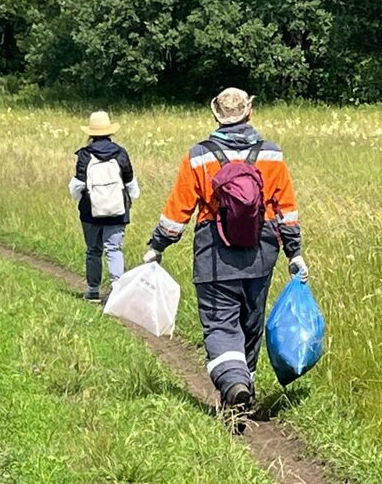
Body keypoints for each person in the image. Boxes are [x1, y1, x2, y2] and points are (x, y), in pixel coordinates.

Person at [142, 88, 307, 422]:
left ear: (215, 115)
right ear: (249, 112)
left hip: (213, 252)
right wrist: (295, 252)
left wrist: (157, 245)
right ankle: (244, 387)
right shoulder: (272, 154)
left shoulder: (198, 156)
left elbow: (178, 211)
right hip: (262, 252)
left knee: (220, 324)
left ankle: (233, 385)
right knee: (250, 323)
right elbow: (285, 209)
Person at [69, 111, 141, 301]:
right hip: (117, 211)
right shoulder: (120, 153)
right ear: (110, 131)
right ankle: (117, 292)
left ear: (90, 133)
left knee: (93, 250)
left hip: (90, 211)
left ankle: (93, 291)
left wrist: (80, 199)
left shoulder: (85, 155)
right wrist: (130, 199)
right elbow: (131, 183)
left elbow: (77, 185)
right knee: (114, 250)